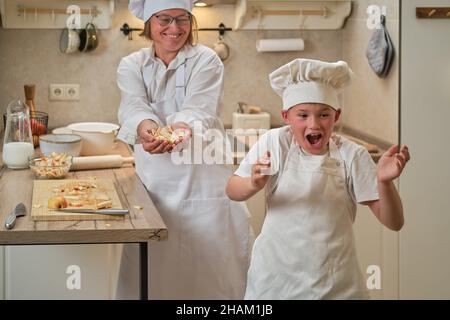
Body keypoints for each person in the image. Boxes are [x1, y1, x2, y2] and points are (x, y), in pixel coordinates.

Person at [226, 58, 410, 299]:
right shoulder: (275, 142)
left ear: (337, 115)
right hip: (276, 279)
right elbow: (232, 189)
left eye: (324, 115)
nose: (314, 124)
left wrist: (384, 183)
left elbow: (394, 222)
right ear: (286, 116)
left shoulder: (352, 155)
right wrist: (253, 183)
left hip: (335, 283)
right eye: (302, 115)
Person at [115, 0, 252, 299]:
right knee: (152, 278)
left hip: (204, 186)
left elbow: (198, 109)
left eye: (182, 19)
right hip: (155, 190)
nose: (174, 28)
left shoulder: (207, 60)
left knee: (209, 283)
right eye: (164, 19)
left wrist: (178, 132)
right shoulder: (131, 65)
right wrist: (148, 130)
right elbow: (133, 107)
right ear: (149, 22)